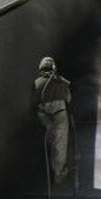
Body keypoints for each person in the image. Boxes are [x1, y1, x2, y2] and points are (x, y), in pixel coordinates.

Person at [34, 56, 71, 184]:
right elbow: (68, 99)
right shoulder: (62, 82)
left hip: (43, 114)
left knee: (50, 137)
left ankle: (51, 166)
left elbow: (34, 100)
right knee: (60, 142)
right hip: (59, 113)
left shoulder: (37, 83)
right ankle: (58, 172)